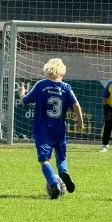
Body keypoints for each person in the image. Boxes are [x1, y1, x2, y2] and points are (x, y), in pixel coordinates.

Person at [19, 58, 84, 199]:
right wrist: (80, 121)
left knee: (44, 160)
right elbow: (76, 105)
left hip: (42, 130)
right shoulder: (66, 88)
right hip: (59, 129)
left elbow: (24, 101)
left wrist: (22, 93)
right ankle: (63, 171)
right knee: (60, 157)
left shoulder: (41, 85)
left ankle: (54, 184)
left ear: (47, 70)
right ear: (62, 72)